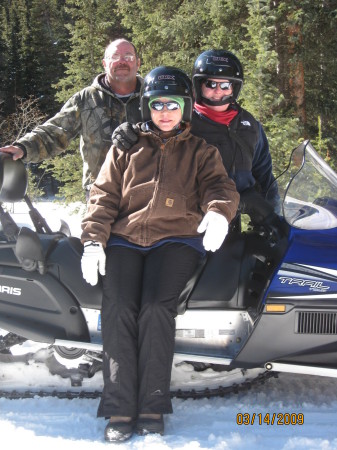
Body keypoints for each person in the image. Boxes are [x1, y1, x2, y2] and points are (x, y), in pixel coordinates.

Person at [80, 66, 239, 442]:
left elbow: (221, 186)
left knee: (155, 307)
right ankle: (119, 408)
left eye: (172, 104)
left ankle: (152, 403)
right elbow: (102, 198)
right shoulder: (126, 147)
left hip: (176, 239)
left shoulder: (201, 150)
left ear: (185, 107)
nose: (164, 111)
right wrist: (92, 240)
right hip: (125, 238)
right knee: (118, 307)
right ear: (147, 107)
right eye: (157, 104)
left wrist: (218, 212)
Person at [112, 49, 279, 227]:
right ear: (199, 85)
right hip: (185, 218)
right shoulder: (182, 120)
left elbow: (265, 176)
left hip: (231, 216)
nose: (217, 91)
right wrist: (127, 131)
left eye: (225, 85)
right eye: (210, 84)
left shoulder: (249, 125)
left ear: (234, 88)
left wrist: (272, 218)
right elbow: (150, 132)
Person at [0, 38, 142, 194]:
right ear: (104, 63)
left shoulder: (153, 97)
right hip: (101, 192)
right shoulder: (86, 99)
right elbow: (55, 132)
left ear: (138, 63)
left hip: (147, 192)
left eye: (128, 56)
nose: (121, 61)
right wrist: (22, 147)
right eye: (114, 57)